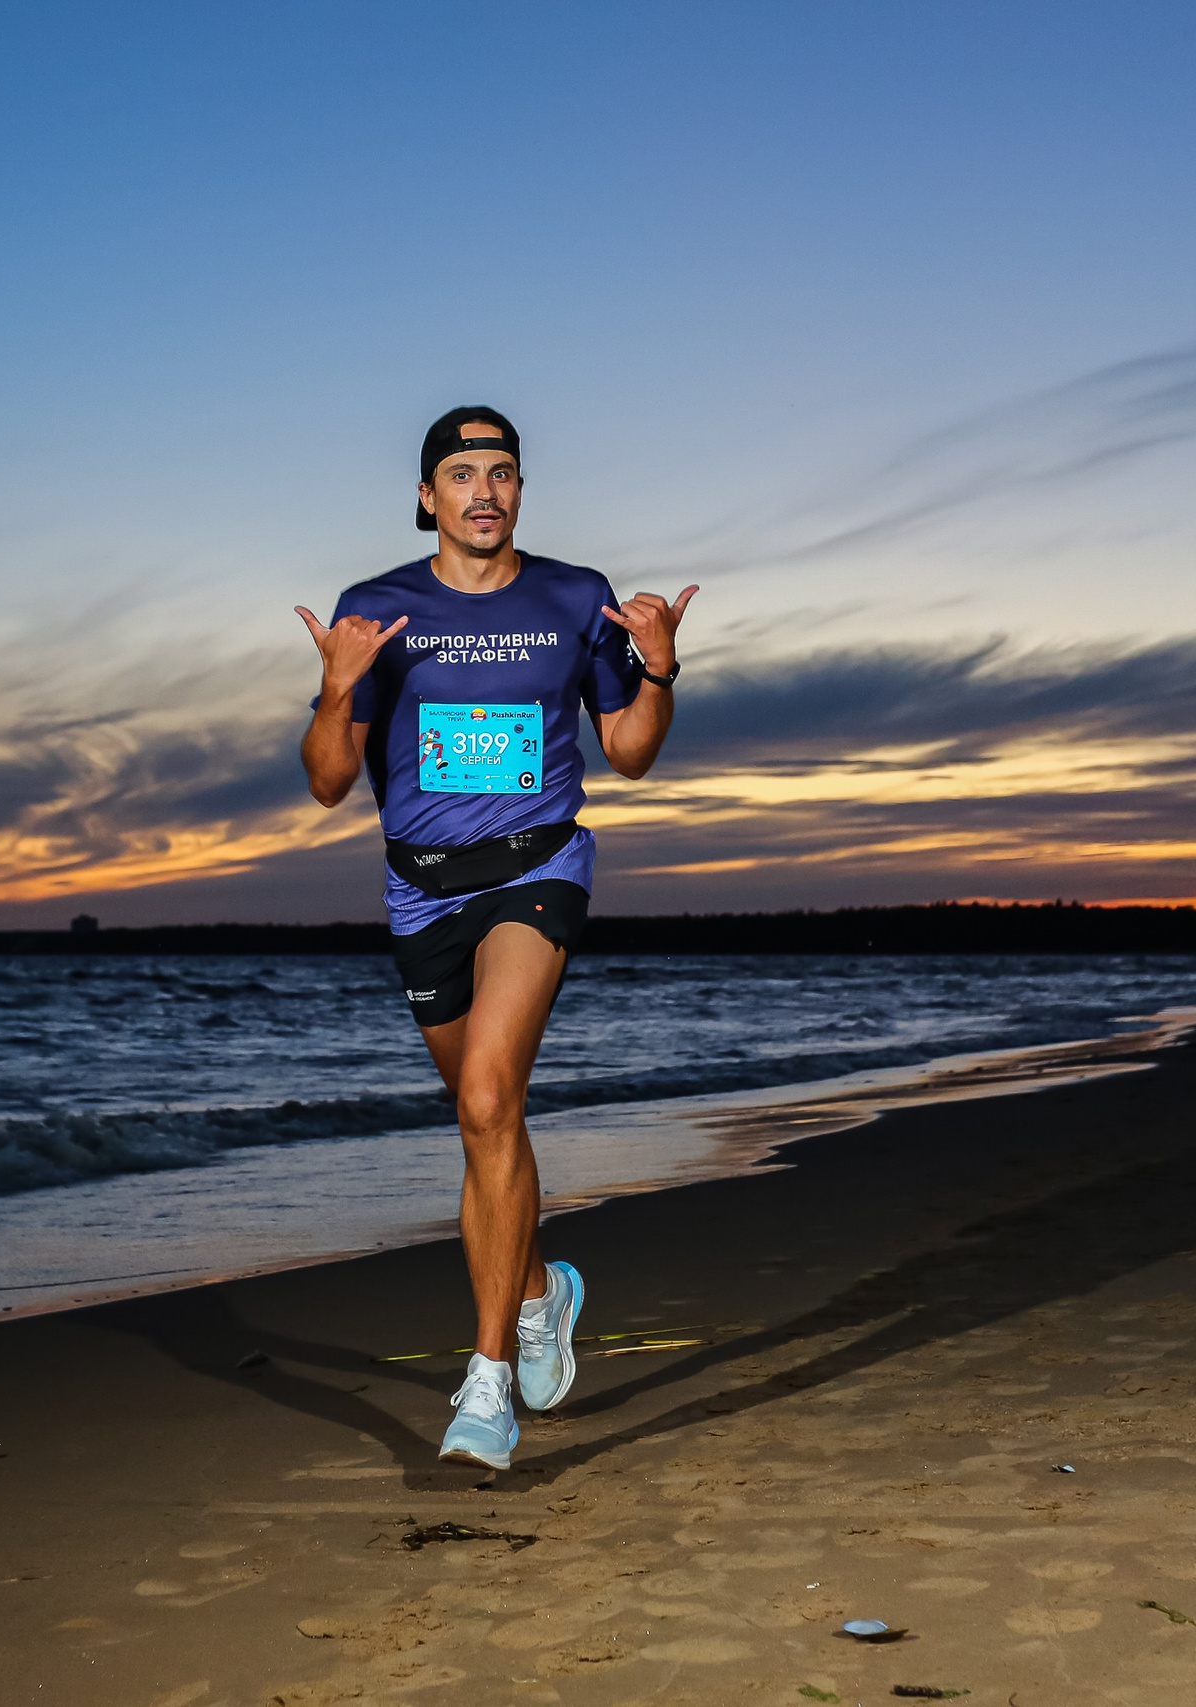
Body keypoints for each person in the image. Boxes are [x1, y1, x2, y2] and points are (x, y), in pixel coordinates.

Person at [295, 406, 695, 1469]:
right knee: (483, 1129)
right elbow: (331, 780)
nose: (485, 491)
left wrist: (656, 669)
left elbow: (630, 753)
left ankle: (486, 1383)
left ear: (520, 490)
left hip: (537, 865)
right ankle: (537, 1288)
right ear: (427, 494)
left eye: (503, 472)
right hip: (420, 892)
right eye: (463, 474)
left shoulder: (575, 596)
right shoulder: (375, 611)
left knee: (486, 1101)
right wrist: (337, 693)